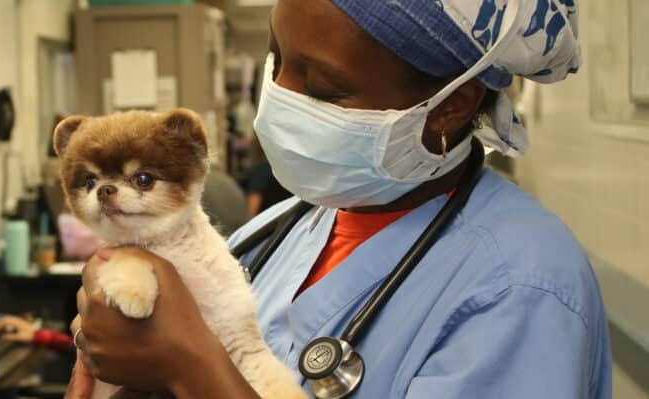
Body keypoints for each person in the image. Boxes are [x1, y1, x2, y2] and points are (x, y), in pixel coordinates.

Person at [66, 1, 612, 398]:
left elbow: (196, 357)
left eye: (324, 89)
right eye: (276, 60)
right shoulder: (275, 234)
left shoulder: (521, 287)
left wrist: (188, 365)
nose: (281, 94)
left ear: (448, 107)